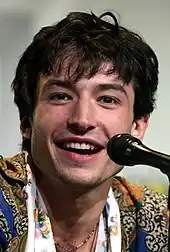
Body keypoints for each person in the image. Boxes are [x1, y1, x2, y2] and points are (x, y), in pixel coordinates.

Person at [0, 11, 168, 252]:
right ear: (26, 122)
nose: (82, 119)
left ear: (138, 126)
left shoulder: (155, 220)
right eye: (60, 96)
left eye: (108, 99)